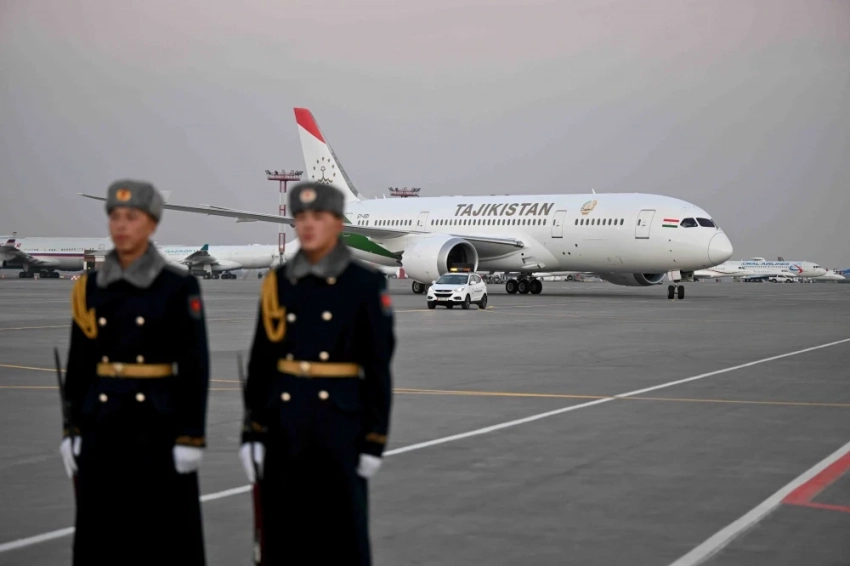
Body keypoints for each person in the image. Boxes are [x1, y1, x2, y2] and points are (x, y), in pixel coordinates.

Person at [239, 181, 395, 565]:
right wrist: (252, 432)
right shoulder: (278, 282)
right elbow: (262, 363)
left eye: (318, 216)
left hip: (340, 426)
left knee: (342, 536)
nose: (307, 225)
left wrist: (374, 438)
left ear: (339, 223)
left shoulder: (365, 283)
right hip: (284, 423)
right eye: (301, 217)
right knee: (283, 534)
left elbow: (377, 367)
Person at [58, 180, 210, 565]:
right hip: (102, 423)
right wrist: (73, 428)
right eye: (115, 217)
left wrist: (191, 435)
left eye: (132, 217)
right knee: (100, 535)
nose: (121, 225)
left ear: (152, 224)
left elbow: (194, 366)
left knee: (164, 537)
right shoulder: (90, 288)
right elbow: (80, 364)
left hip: (158, 425)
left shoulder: (177, 286)